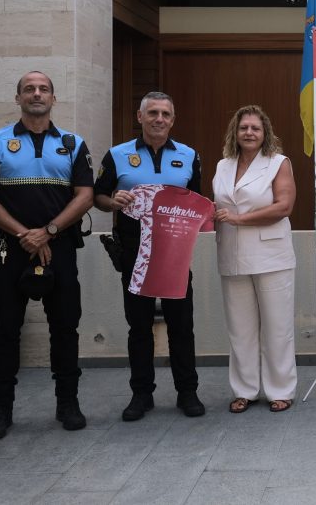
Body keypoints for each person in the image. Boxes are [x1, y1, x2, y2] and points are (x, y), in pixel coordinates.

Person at [0, 71, 94, 441]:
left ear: (54, 99)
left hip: (60, 248)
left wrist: (49, 231)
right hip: (10, 248)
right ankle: (0, 409)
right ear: (18, 97)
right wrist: (25, 234)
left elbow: (85, 196)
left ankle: (68, 404)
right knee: (5, 330)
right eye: (29, 89)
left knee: (66, 328)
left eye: (43, 89)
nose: (36, 94)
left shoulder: (74, 143)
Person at [93, 91, 206, 421]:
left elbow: (196, 202)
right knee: (139, 326)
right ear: (140, 117)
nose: (159, 119)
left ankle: (188, 392)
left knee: (181, 325)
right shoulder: (117, 155)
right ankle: (141, 394)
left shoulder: (188, 155)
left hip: (174, 255)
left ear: (173, 119)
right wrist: (112, 201)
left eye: (166, 114)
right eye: (153, 113)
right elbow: (97, 196)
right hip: (134, 253)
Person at [212, 106, 297, 414]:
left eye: (255, 128)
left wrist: (238, 218)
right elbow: (220, 205)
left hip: (271, 256)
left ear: (265, 134)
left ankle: (280, 390)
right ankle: (244, 390)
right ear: (235, 132)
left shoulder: (278, 163)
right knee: (240, 329)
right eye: (244, 127)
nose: (249, 132)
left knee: (277, 328)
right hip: (232, 255)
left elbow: (284, 206)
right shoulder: (223, 165)